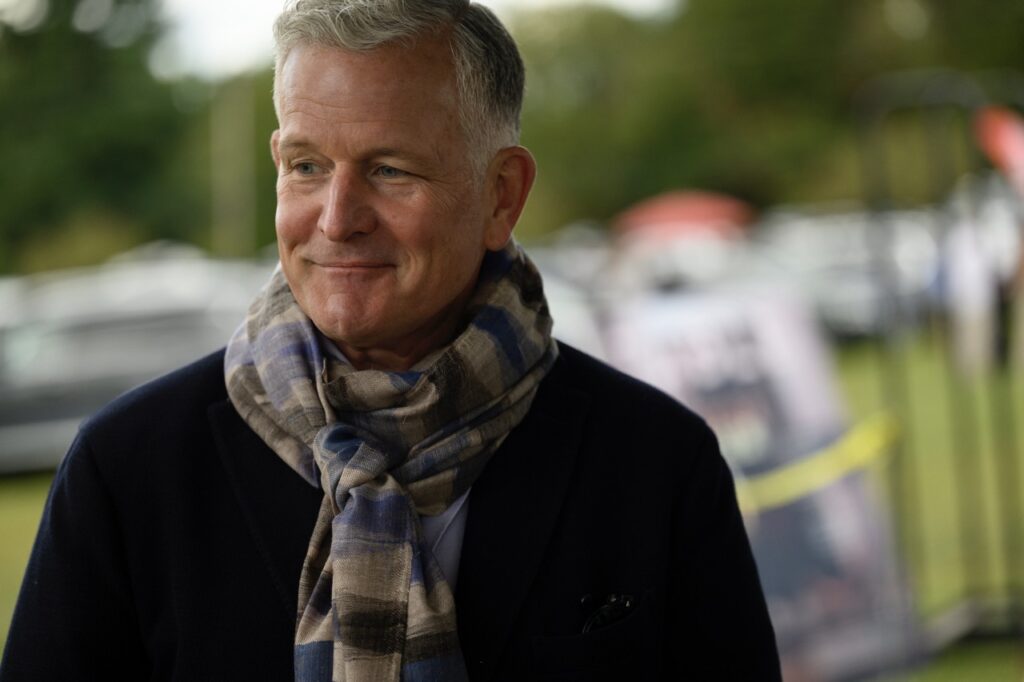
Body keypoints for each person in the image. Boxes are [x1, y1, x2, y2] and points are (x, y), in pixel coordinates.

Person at [0, 1, 780, 680]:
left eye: (390, 170)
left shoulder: (656, 464)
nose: (338, 219)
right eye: (308, 165)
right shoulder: (128, 470)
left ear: (501, 195)